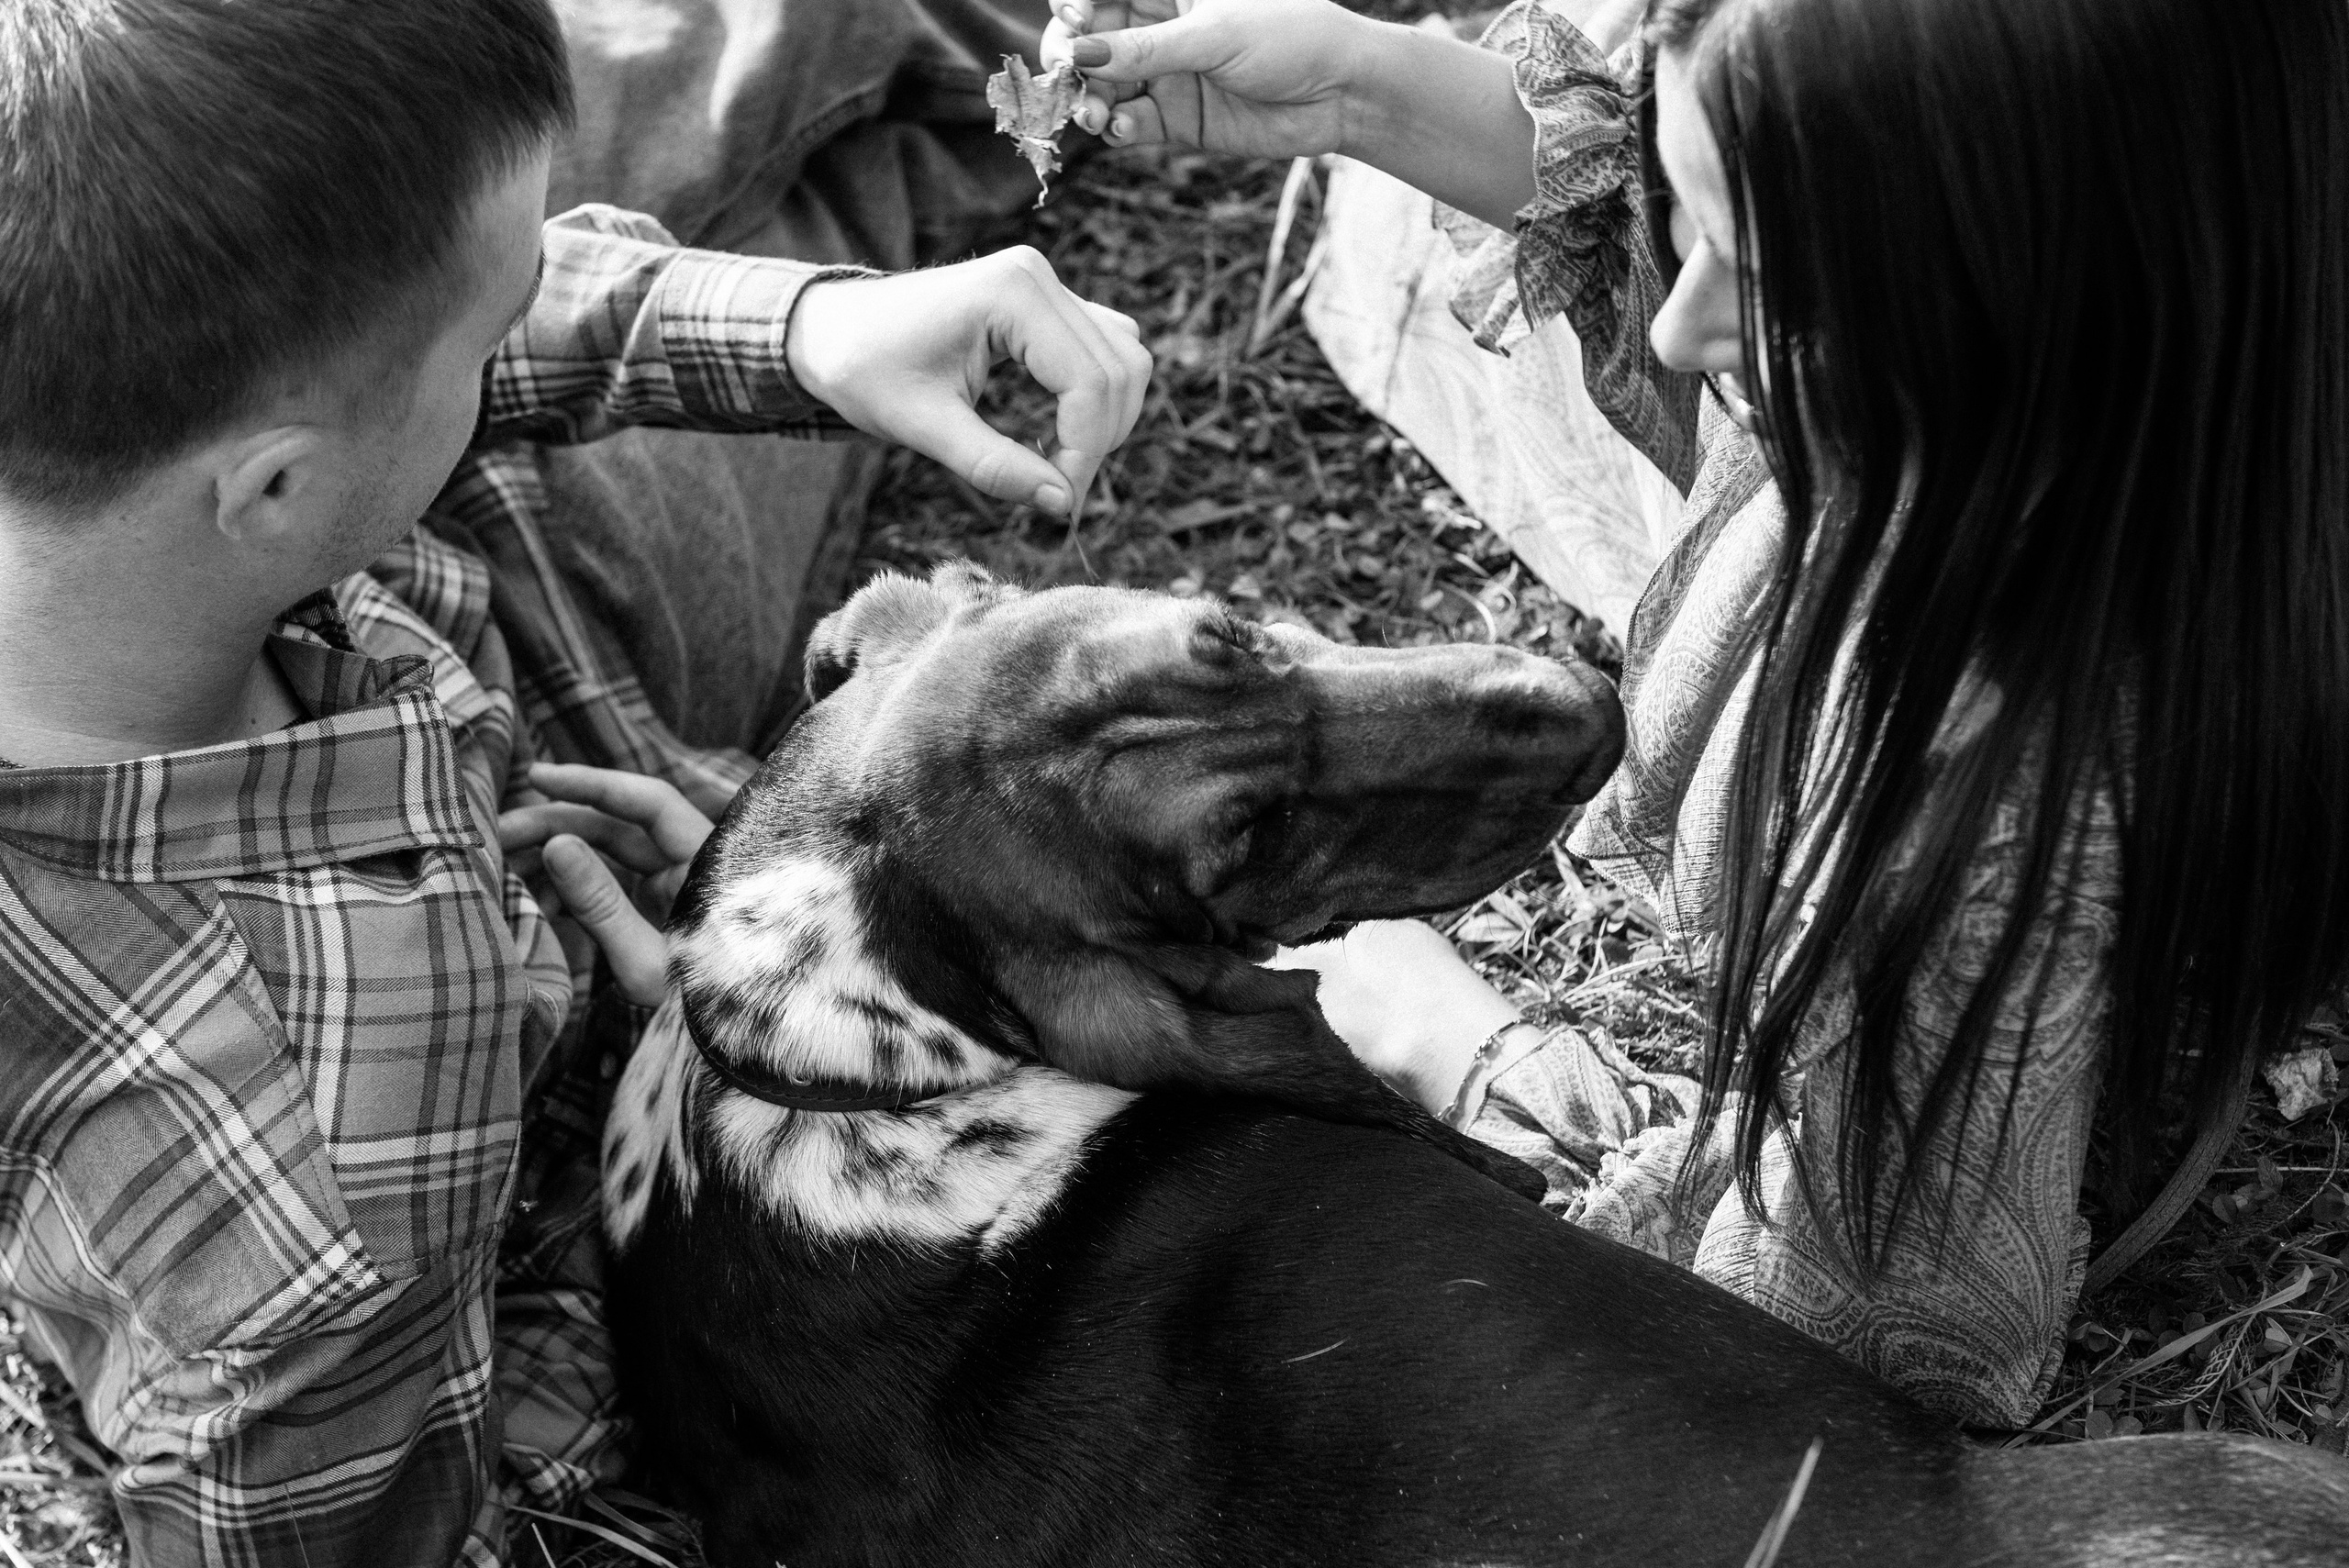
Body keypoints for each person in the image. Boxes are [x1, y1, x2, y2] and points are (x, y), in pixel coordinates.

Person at [1045, 0, 2349, 1427]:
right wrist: (1357, 88)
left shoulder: (1970, 810)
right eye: (1692, 213)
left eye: (1782, 284)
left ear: (2028, 305)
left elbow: (1831, 1345)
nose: (1672, 325)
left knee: (1390, 295)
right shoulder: (2189, 370)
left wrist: (1474, 1053)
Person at [0, 1, 1146, 1562]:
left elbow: (383, 324)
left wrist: (803, 331)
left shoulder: (110, 445)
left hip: (446, 522)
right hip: (592, 624)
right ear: (274, 484)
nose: (518, 312)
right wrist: (698, 1076)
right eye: (493, 331)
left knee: (583, 135)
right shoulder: (330, 1166)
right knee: (822, 59)